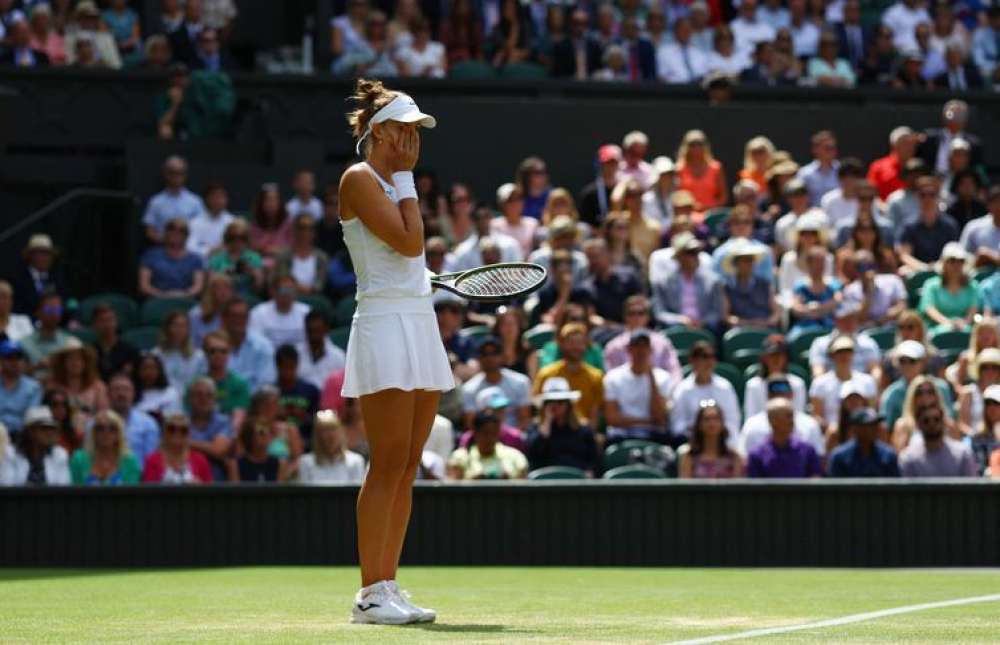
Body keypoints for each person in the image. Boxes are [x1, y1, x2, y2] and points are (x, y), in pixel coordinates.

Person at [338, 79, 453, 625]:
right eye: (404, 129)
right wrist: (406, 179)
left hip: (417, 319)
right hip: (384, 323)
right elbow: (409, 242)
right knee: (386, 462)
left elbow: (410, 254)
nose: (413, 139)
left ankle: (388, 583)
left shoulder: (396, 184)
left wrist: (418, 275)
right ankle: (367, 594)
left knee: (407, 464)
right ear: (379, 133)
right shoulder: (359, 178)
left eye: (417, 130)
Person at [602, 330, 673, 445]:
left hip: (653, 435)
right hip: (622, 435)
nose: (641, 351)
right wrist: (647, 421)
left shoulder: (663, 378)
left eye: (645, 346)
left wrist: (651, 377)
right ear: (629, 349)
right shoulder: (613, 377)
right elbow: (612, 419)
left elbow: (659, 418)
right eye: (637, 346)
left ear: (651, 350)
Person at [532, 323, 604, 425]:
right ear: (562, 344)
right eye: (571, 342)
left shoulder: (596, 376)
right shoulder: (546, 374)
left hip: (583, 433)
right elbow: (539, 406)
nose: (575, 347)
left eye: (580, 342)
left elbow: (596, 412)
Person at [651, 233, 723, 334]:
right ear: (679, 257)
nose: (696, 256)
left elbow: (717, 313)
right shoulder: (663, 282)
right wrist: (680, 320)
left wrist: (702, 322)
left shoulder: (712, 281)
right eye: (691, 253)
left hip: (705, 330)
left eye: (697, 252)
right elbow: (659, 313)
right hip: (675, 330)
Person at [670, 341, 741, 442]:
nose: (710, 361)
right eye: (704, 356)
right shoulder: (682, 390)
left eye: (712, 356)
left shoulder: (725, 387)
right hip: (691, 444)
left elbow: (733, 423)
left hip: (723, 445)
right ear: (692, 360)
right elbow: (676, 426)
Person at [524, 378, 598, 474]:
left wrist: (589, 472)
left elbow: (593, 460)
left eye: (560, 402)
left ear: (568, 405)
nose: (555, 406)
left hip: (576, 481)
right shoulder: (535, 428)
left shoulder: (583, 430)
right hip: (545, 482)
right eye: (550, 402)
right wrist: (547, 423)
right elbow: (532, 453)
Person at [739, 374, 824, 458]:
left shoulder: (810, 424)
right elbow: (745, 458)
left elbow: (818, 457)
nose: (780, 396)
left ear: (792, 394)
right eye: (775, 393)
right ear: (768, 396)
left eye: (784, 392)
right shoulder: (752, 425)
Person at [603, 296, 682, 381]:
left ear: (648, 316)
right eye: (632, 313)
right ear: (625, 316)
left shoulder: (662, 343)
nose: (636, 317)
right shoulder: (614, 347)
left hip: (659, 391)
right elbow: (611, 379)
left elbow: (674, 372)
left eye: (641, 313)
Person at [460, 337, 531, 431]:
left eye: (495, 353)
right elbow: (471, 425)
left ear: (502, 356)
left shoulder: (521, 382)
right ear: (479, 358)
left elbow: (524, 420)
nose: (489, 358)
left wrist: (512, 439)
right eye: (484, 354)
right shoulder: (468, 388)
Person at [879, 340, 953, 431]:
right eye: (902, 361)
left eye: (912, 361)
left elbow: (950, 420)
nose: (907, 365)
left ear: (923, 362)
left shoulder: (941, 387)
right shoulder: (891, 394)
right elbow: (885, 428)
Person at [809, 336, 878, 431]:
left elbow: (872, 411)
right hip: (831, 432)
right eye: (839, 352)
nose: (844, 355)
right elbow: (817, 416)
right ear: (832, 355)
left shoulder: (867, 381)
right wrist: (833, 429)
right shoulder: (820, 383)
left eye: (848, 351)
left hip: (862, 430)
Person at [746, 398, 823, 478]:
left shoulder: (808, 450)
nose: (792, 421)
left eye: (792, 416)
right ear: (772, 420)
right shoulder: (756, 454)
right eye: (788, 416)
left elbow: (815, 479)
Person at [899, 403, 977, 477]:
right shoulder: (908, 459)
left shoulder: (963, 454)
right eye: (926, 421)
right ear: (918, 424)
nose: (932, 424)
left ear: (943, 422)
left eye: (936, 419)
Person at [808, 302, 882, 378]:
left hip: (862, 388)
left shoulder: (867, 343)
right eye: (845, 319)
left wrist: (871, 386)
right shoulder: (820, 344)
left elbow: (875, 370)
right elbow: (818, 373)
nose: (849, 322)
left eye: (853, 318)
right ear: (836, 320)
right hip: (831, 388)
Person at [447, 410, 528, 480]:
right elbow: (452, 487)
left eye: (494, 433)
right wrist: (472, 483)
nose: (490, 438)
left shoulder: (515, 456)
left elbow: (524, 488)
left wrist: (508, 483)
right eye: (485, 433)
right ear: (475, 433)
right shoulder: (459, 457)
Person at [142, 156, 205, 245]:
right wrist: (169, 242)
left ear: (185, 175)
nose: (177, 176)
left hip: (189, 251)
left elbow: (202, 228)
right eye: (173, 173)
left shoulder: (195, 201)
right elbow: (149, 231)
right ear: (165, 174)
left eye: (180, 173)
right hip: (163, 250)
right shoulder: (155, 202)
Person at [0, 406, 70, 485]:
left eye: (51, 428)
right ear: (30, 431)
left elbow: (63, 489)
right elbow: (6, 487)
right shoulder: (11, 454)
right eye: (44, 428)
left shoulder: (60, 455)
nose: (49, 433)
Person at [919, 243, 979, 334]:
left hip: (965, 329)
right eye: (952, 261)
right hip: (937, 330)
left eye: (961, 261)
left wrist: (964, 323)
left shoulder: (973, 286)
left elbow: (973, 310)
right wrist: (948, 323)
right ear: (944, 263)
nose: (957, 265)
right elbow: (929, 309)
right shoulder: (931, 285)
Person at [138, 217, 205, 299]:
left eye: (181, 231)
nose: (175, 233)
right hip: (157, 301)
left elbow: (198, 287)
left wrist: (183, 295)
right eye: (171, 229)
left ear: (186, 236)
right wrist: (163, 295)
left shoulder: (195, 259)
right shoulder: (151, 255)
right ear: (165, 233)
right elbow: (144, 286)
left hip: (185, 300)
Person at [69, 409, 141, 485]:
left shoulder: (130, 461)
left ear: (119, 433)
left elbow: (131, 494)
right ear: (94, 433)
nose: (106, 432)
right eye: (100, 428)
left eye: (112, 428)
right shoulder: (79, 459)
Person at [720, 240, 780, 330]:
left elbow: (776, 312)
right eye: (744, 260)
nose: (748, 264)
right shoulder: (727, 287)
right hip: (739, 330)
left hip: (764, 328)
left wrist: (768, 322)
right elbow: (726, 316)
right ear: (736, 263)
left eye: (750, 260)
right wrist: (744, 323)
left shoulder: (764, 284)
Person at [677, 400, 743, 478]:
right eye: (707, 419)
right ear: (699, 424)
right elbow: (684, 487)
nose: (712, 423)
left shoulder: (734, 457)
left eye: (716, 419)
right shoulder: (688, 456)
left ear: (722, 424)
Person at [47, 339, 108, 423]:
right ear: (63, 363)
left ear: (85, 363)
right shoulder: (53, 385)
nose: (75, 362)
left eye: (79, 359)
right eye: (70, 359)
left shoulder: (98, 386)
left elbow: (103, 414)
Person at [296, 410, 367, 483]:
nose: (330, 435)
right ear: (317, 436)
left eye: (333, 429)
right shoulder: (305, 462)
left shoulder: (355, 461)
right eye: (324, 430)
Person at [826, 407, 900, 477]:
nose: (875, 429)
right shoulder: (840, 457)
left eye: (875, 425)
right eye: (869, 426)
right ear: (855, 429)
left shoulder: (888, 455)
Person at [842, 250, 906, 329]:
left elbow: (902, 306)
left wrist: (881, 320)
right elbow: (860, 318)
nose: (868, 270)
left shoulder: (893, 280)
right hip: (865, 333)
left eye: (871, 266)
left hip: (891, 328)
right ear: (856, 270)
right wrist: (869, 292)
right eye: (863, 267)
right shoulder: (850, 291)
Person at [222, 298, 276, 391]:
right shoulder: (214, 346)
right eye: (234, 316)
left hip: (255, 402)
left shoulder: (263, 346)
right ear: (224, 318)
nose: (239, 320)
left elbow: (266, 384)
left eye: (243, 316)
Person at [142, 412, 212, 484]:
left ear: (189, 434)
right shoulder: (152, 461)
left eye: (183, 430)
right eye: (172, 429)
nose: (177, 433)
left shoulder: (200, 461)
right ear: (164, 432)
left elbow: (210, 491)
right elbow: (148, 492)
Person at [199, 331, 249, 428]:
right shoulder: (196, 385)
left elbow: (238, 421)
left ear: (229, 353)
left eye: (223, 351)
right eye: (213, 351)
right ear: (205, 353)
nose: (218, 355)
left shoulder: (239, 384)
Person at [186, 376, 232, 481]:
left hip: (216, 484)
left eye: (209, 395)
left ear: (215, 399)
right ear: (189, 398)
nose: (203, 398)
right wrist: (208, 447)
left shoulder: (223, 422)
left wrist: (187, 442)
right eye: (198, 394)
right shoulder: (181, 420)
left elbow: (218, 450)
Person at [12, 233, 67, 317]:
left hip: (52, 324)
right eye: (41, 253)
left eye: (48, 254)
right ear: (30, 255)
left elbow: (62, 305)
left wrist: (51, 312)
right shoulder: (17, 279)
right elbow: (16, 306)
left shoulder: (57, 279)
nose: (45, 258)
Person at [457, 386, 526, 452]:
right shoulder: (468, 438)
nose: (501, 412)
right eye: (496, 409)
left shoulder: (515, 436)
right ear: (482, 411)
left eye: (503, 408)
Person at [274, 345, 320, 445]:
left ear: (297, 365)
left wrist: (305, 417)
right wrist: (277, 416)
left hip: (307, 441)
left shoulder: (311, 390)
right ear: (277, 366)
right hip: (278, 443)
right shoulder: (270, 393)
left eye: (291, 367)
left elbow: (320, 422)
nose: (288, 372)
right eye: (284, 367)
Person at [20, 291, 72, 377]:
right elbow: (13, 375)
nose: (53, 313)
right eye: (48, 310)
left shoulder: (69, 343)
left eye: (57, 310)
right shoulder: (23, 343)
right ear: (38, 312)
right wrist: (38, 366)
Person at [274, 215, 330, 295]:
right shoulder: (283, 256)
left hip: (313, 298)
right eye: (301, 228)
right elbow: (282, 280)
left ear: (314, 233)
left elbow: (319, 285)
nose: (305, 232)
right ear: (294, 230)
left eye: (310, 229)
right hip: (288, 297)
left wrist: (304, 289)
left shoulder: (322, 258)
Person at [206, 220, 265, 295]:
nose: (237, 241)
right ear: (227, 238)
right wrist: (222, 275)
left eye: (242, 238)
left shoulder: (254, 258)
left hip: (247, 297)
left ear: (246, 239)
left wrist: (253, 273)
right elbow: (210, 287)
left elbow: (259, 288)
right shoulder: (217, 258)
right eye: (233, 237)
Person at [675, 129, 727, 214]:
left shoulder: (716, 167)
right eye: (692, 144)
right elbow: (676, 196)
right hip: (687, 215)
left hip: (711, 214)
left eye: (700, 144)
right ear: (686, 147)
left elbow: (723, 197)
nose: (696, 147)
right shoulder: (679, 169)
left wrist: (709, 207)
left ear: (705, 146)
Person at [153, 311, 205, 394]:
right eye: (175, 325)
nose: (179, 330)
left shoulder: (199, 356)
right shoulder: (156, 354)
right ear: (167, 328)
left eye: (183, 326)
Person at [0, 340, 42, 438]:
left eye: (18, 358)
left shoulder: (33, 387)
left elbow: (31, 418)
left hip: (22, 437)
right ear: (1, 361)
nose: (14, 362)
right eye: (9, 358)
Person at [295, 311, 346, 392]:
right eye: (311, 331)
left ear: (326, 329)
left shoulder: (339, 357)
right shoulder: (296, 353)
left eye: (317, 331)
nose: (314, 335)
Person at [91, 304, 139, 383]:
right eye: (102, 321)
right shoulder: (89, 351)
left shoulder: (131, 350)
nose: (107, 325)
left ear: (116, 322)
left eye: (110, 320)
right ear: (94, 325)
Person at [186, 182, 234, 260]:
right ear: (206, 199)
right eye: (215, 197)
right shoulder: (195, 222)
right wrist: (209, 251)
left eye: (222, 197)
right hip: (202, 264)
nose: (218, 200)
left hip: (227, 265)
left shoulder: (233, 222)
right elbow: (189, 247)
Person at [491, 183, 537, 259]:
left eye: (518, 198)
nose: (515, 203)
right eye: (510, 200)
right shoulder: (494, 225)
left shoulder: (532, 223)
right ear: (502, 204)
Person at [958, 185, 1000, 268]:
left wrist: (990, 257)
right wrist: (977, 259)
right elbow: (961, 258)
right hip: (977, 278)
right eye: (996, 201)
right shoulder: (973, 227)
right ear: (989, 205)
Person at [658, 16, 708, 84]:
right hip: (675, 90)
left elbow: (705, 75)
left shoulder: (699, 53)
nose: (686, 32)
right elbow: (661, 77)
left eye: (688, 29)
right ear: (675, 31)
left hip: (697, 90)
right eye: (682, 29)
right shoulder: (664, 52)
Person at [249, 183, 293, 259]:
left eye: (274, 200)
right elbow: (252, 248)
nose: (270, 204)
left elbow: (292, 250)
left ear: (280, 202)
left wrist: (271, 250)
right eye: (267, 200)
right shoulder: (254, 225)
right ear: (261, 203)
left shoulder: (289, 224)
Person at [133, 353, 181, 420]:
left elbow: (175, 417)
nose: (148, 372)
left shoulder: (170, 393)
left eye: (152, 368)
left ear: (159, 371)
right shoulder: (131, 393)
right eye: (144, 368)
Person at [970, 384, 1000, 475]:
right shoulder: (977, 437)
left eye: (996, 404)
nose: (992, 408)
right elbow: (979, 470)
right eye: (988, 404)